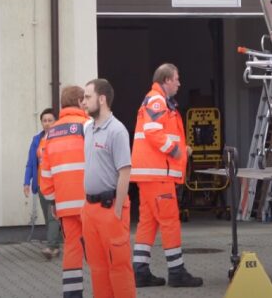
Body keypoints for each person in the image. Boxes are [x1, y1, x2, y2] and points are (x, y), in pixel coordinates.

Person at [131, 63, 203, 288]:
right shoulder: (157, 100)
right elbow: (154, 132)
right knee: (170, 221)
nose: (179, 83)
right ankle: (177, 272)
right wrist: (177, 151)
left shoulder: (157, 101)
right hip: (158, 174)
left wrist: (181, 147)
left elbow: (158, 132)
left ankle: (140, 271)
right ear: (166, 80)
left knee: (148, 223)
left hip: (150, 174)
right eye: (176, 79)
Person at [81, 79, 135, 298]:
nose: (83, 102)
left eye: (87, 97)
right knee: (98, 269)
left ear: (101, 99)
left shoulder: (117, 131)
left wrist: (118, 209)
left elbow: (125, 172)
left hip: (110, 208)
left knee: (119, 269)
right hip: (91, 210)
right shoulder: (89, 129)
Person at [40, 86, 89, 298]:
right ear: (79, 102)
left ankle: (71, 293)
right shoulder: (88, 127)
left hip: (65, 205)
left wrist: (52, 202)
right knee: (96, 250)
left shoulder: (50, 135)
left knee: (72, 247)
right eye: (84, 99)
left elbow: (46, 173)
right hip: (91, 203)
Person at [23, 108, 62, 259]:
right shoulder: (36, 140)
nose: (47, 124)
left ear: (55, 122)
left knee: (52, 215)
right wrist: (27, 182)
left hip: (55, 184)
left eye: (50, 120)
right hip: (40, 185)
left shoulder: (59, 138)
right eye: (44, 121)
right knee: (49, 217)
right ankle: (56, 243)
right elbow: (30, 163)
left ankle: (51, 246)